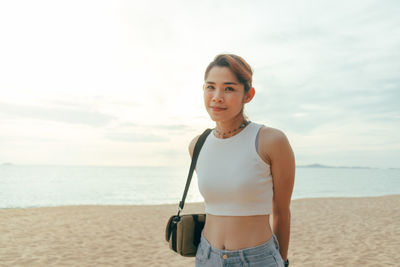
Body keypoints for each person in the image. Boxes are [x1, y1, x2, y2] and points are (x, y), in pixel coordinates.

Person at [189, 54, 295, 267]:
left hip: (258, 259)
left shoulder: (271, 141)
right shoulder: (197, 145)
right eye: (211, 87)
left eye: (229, 88)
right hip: (206, 257)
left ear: (248, 95)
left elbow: (282, 212)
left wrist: (282, 261)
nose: (217, 97)